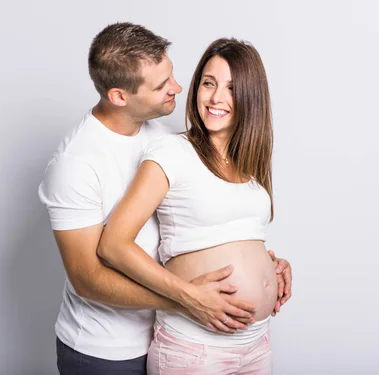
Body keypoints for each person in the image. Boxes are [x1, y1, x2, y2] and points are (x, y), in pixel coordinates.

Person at [39, 23, 292, 375]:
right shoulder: (76, 165)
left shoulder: (164, 134)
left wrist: (265, 265)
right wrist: (186, 299)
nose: (178, 87)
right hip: (108, 349)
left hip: (186, 331)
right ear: (119, 96)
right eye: (161, 85)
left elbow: (201, 223)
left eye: (173, 75)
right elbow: (87, 278)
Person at [97, 38, 282, 374]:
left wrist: (273, 267)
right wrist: (187, 295)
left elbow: (236, 238)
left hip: (256, 344)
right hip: (196, 350)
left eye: (231, 87)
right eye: (208, 83)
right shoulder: (172, 153)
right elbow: (113, 244)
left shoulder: (250, 164)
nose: (215, 98)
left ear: (252, 96)